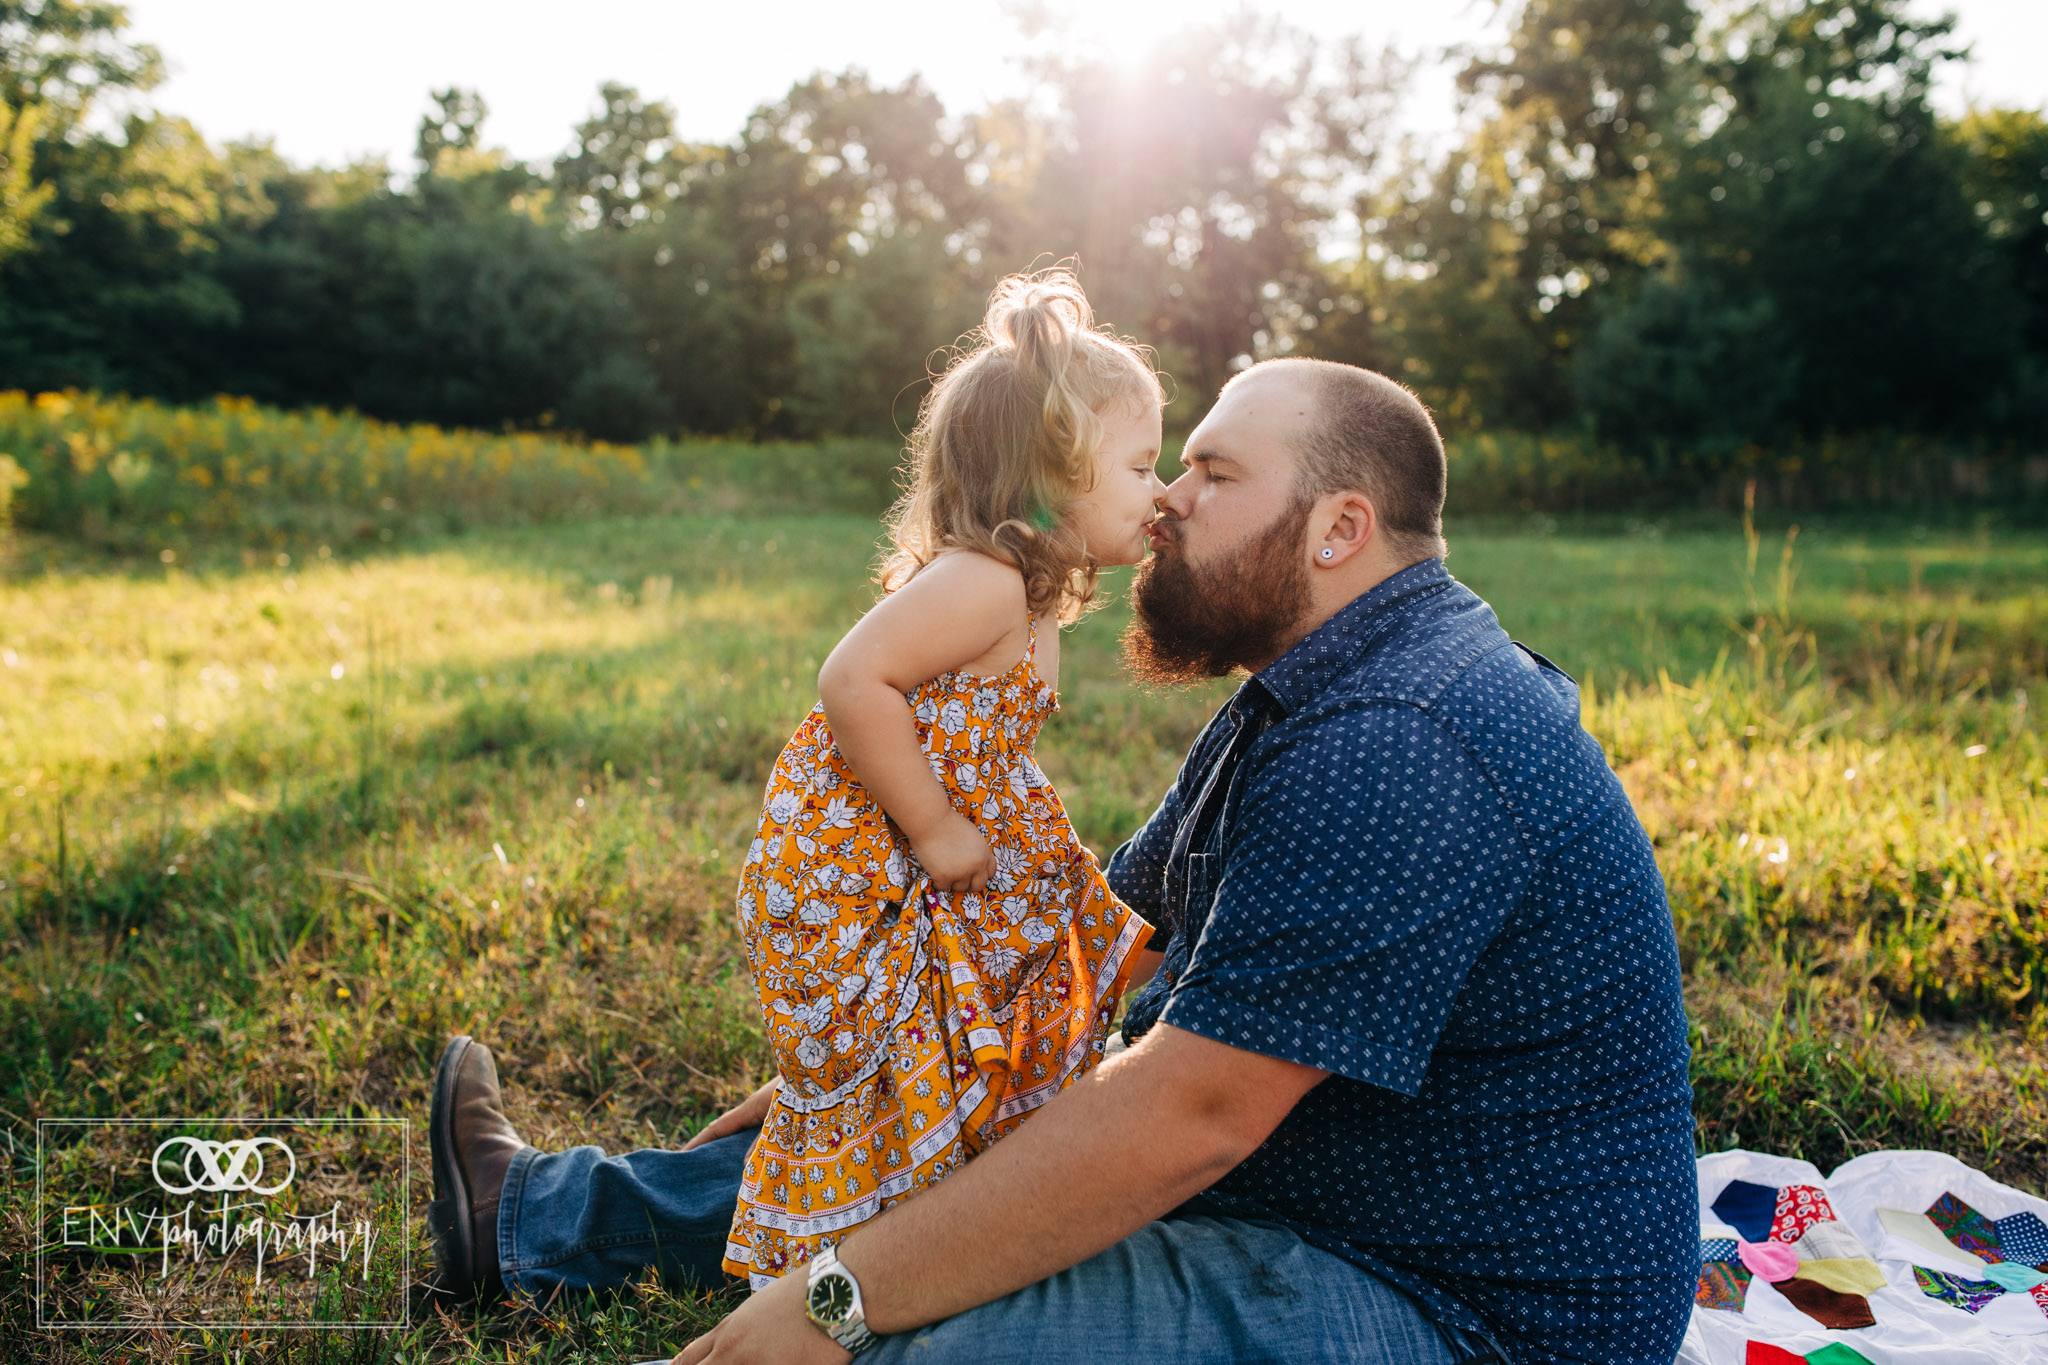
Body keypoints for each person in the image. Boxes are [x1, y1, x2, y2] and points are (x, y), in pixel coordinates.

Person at [429, 355, 1698, 1365]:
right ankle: (533, 1220)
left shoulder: (1403, 741)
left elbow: (1186, 1112)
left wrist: (835, 1301)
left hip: (1444, 1305)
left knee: (896, 1336)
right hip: (1299, 1201)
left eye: (1210, 473)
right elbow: (1110, 932)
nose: (1166, 505)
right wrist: (891, 1059)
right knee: (908, 1146)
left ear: (1335, 530)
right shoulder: (1313, 694)